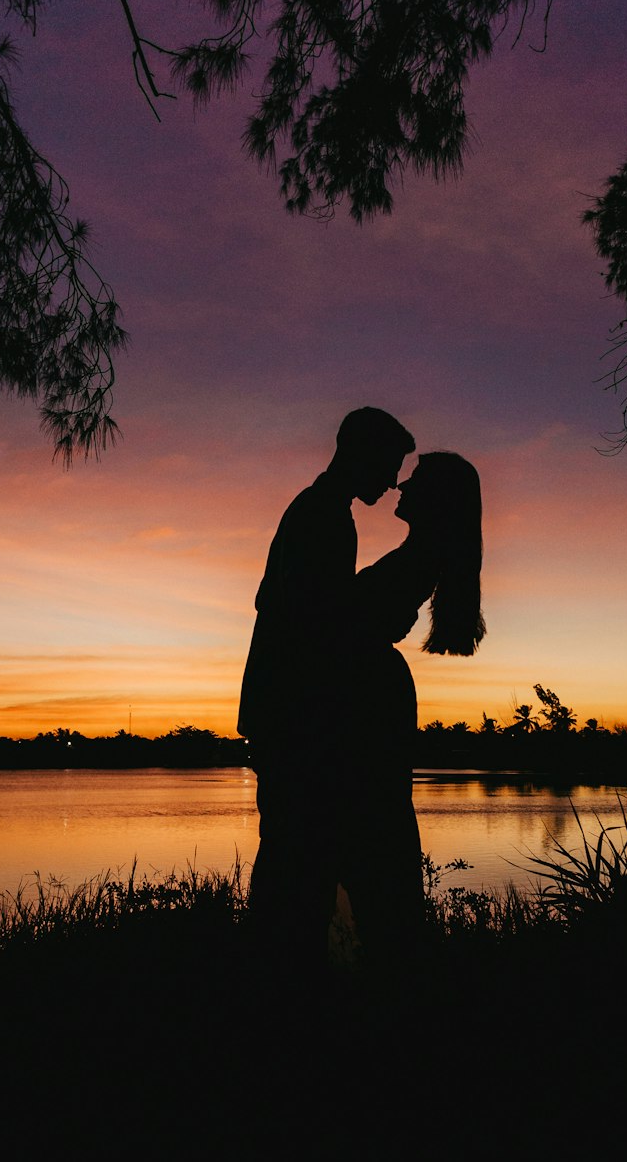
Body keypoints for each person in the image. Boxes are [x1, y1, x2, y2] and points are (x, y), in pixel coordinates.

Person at [238, 407, 416, 967]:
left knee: (298, 864)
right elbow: (315, 628)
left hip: (288, 718)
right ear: (359, 452)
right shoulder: (323, 519)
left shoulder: (319, 512)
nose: (391, 482)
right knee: (298, 866)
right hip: (296, 722)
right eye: (389, 465)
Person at [338, 451, 486, 962]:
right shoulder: (423, 552)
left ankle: (383, 960)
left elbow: (352, 621)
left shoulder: (424, 554)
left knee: (369, 827)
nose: (400, 487)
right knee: (370, 826)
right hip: (372, 687)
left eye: (415, 482)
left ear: (438, 499)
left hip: (370, 695)